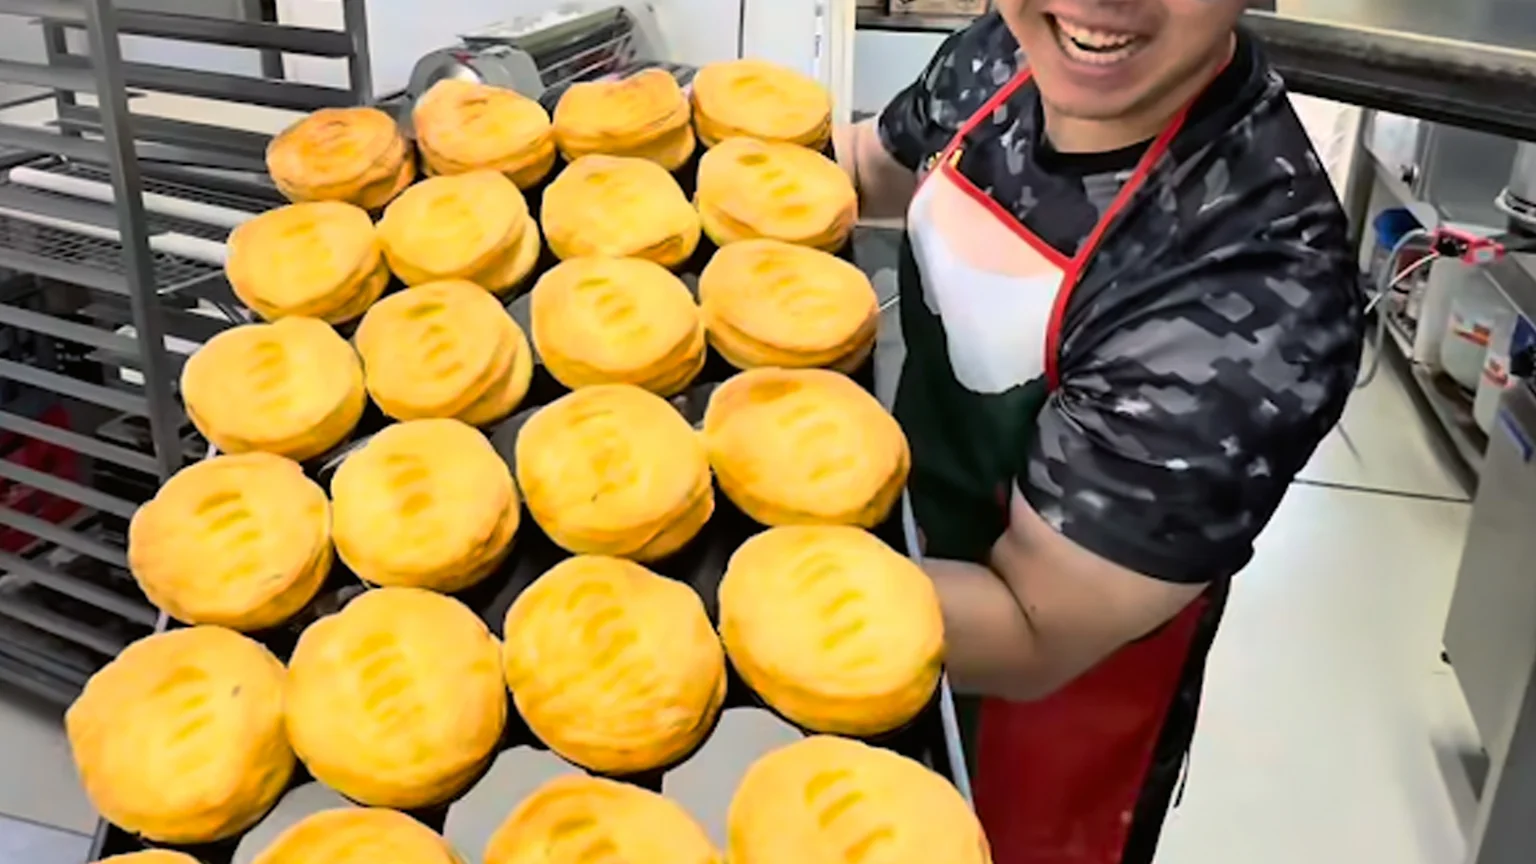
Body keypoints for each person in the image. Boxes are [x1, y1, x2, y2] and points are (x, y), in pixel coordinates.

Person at [833, 2, 1363, 863]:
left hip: (1029, 716)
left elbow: (1032, 630)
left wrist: (753, 593)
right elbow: (861, 167)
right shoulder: (1014, 45)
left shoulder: (1256, 285)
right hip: (884, 552)